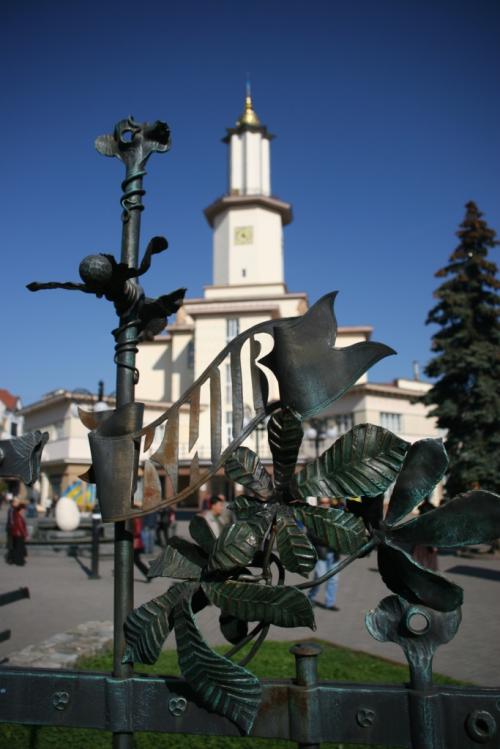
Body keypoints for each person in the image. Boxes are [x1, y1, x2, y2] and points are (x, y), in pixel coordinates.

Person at [308, 497, 340, 611]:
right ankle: (310, 597)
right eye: (322, 503)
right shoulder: (314, 517)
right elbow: (311, 535)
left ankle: (330, 603)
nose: (325, 505)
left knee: (334, 579)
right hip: (321, 552)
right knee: (319, 578)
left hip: (333, 553)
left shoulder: (334, 516)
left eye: (327, 503)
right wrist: (328, 539)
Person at [411, 497, 438, 571]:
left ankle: (420, 570)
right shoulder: (430, 521)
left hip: (421, 543)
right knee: (427, 560)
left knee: (420, 559)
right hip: (425, 544)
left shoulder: (421, 521)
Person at [6, 498, 28, 566]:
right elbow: (19, 525)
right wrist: (25, 534)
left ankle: (13, 559)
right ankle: (14, 560)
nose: (18, 503)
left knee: (15, 546)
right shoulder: (13, 510)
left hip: (14, 531)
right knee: (15, 546)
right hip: (16, 532)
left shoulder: (15, 511)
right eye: (17, 502)